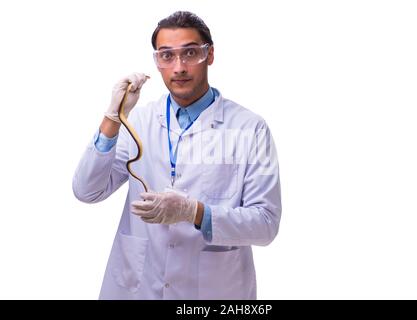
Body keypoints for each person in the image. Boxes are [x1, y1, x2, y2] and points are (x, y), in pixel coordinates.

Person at [73, 11, 282, 300]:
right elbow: (87, 190)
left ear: (210, 55)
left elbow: (266, 224)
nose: (179, 67)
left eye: (191, 53)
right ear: (156, 62)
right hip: (139, 286)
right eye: (167, 55)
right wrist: (113, 118)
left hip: (212, 291)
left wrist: (193, 212)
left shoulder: (249, 128)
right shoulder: (140, 122)